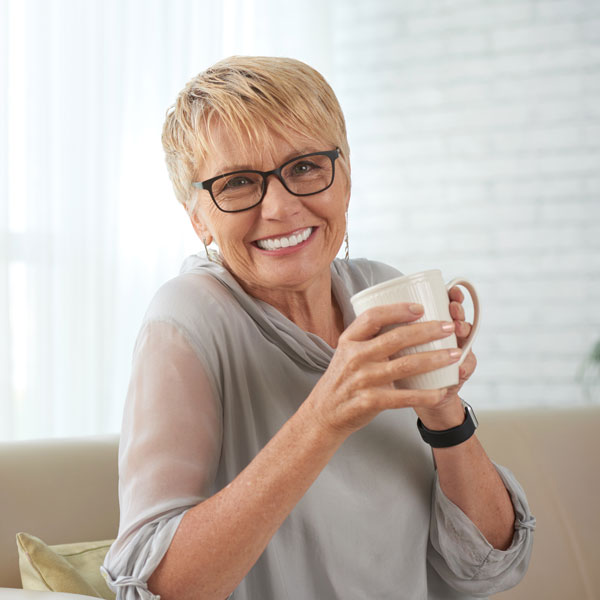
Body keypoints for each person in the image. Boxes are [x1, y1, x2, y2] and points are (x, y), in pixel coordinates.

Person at [101, 56, 535, 600]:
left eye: (305, 167)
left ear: (346, 180)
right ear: (198, 217)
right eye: (238, 183)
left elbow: (490, 567)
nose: (281, 207)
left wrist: (443, 412)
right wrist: (325, 416)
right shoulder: (186, 319)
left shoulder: (380, 290)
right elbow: (159, 588)